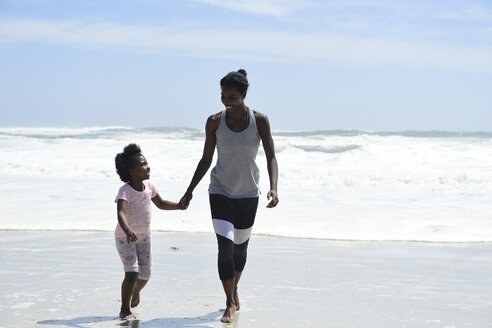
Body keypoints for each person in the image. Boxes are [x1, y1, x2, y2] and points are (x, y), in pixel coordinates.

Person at [179, 69, 279, 323]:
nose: (226, 101)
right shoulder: (214, 121)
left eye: (232, 97)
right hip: (220, 191)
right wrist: (189, 190)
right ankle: (228, 303)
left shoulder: (260, 120)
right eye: (223, 96)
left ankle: (234, 289)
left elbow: (271, 156)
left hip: (247, 193)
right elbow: (206, 159)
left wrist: (274, 187)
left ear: (244, 94)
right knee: (224, 247)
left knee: (239, 250)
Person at [114, 143, 185, 320]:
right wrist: (128, 230)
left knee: (145, 274)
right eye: (143, 164)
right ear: (132, 170)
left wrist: (178, 206)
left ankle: (135, 291)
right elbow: (120, 213)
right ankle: (124, 309)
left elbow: (160, 204)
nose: (148, 167)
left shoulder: (150, 187)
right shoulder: (125, 191)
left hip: (144, 236)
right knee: (131, 272)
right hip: (125, 237)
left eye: (147, 163)